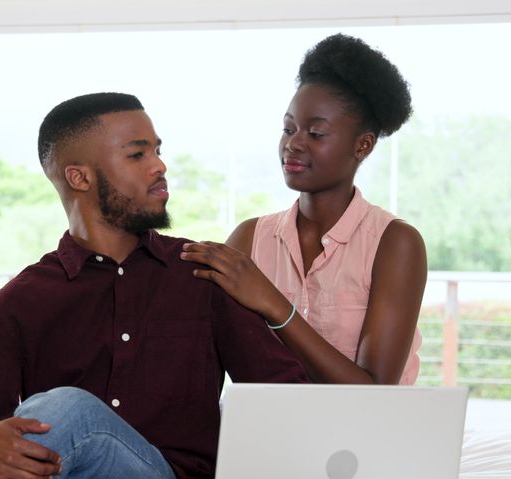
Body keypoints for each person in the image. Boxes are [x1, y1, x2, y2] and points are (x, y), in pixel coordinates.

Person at [0, 92, 309, 479]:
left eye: (158, 150)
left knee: (70, 412)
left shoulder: (203, 274)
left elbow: (285, 398)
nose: (160, 165)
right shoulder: (19, 301)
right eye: (137, 154)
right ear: (80, 177)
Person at [181, 33, 426, 386]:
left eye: (315, 133)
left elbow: (375, 392)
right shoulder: (249, 239)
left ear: (363, 145)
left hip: (366, 436)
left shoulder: (395, 243)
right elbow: (205, 357)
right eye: (288, 128)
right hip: (271, 432)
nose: (293, 144)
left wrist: (274, 304)